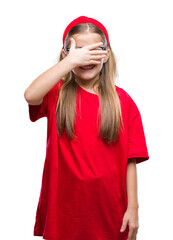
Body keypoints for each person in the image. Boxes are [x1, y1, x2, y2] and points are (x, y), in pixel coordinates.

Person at [24, 16, 149, 240]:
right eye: (79, 51)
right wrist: (69, 62)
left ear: (107, 53)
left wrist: (134, 208)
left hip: (110, 209)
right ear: (66, 54)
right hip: (66, 210)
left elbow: (131, 159)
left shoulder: (123, 102)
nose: (86, 57)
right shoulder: (57, 94)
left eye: (95, 50)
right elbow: (30, 95)